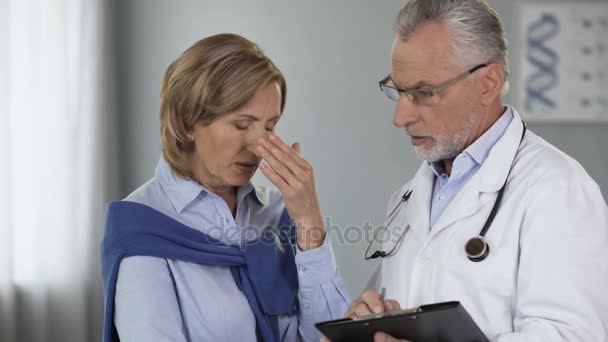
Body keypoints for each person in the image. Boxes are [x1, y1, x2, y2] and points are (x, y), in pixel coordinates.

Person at [324, 0, 608, 341]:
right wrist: (366, 321)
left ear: (487, 83)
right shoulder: (408, 196)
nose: (400, 118)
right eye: (398, 91)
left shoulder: (556, 188)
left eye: (423, 92)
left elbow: (573, 335)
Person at [100, 33, 349, 342]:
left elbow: (333, 334)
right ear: (186, 122)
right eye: (242, 125)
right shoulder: (141, 229)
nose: (259, 145)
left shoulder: (276, 215)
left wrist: (309, 220)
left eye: (270, 126)